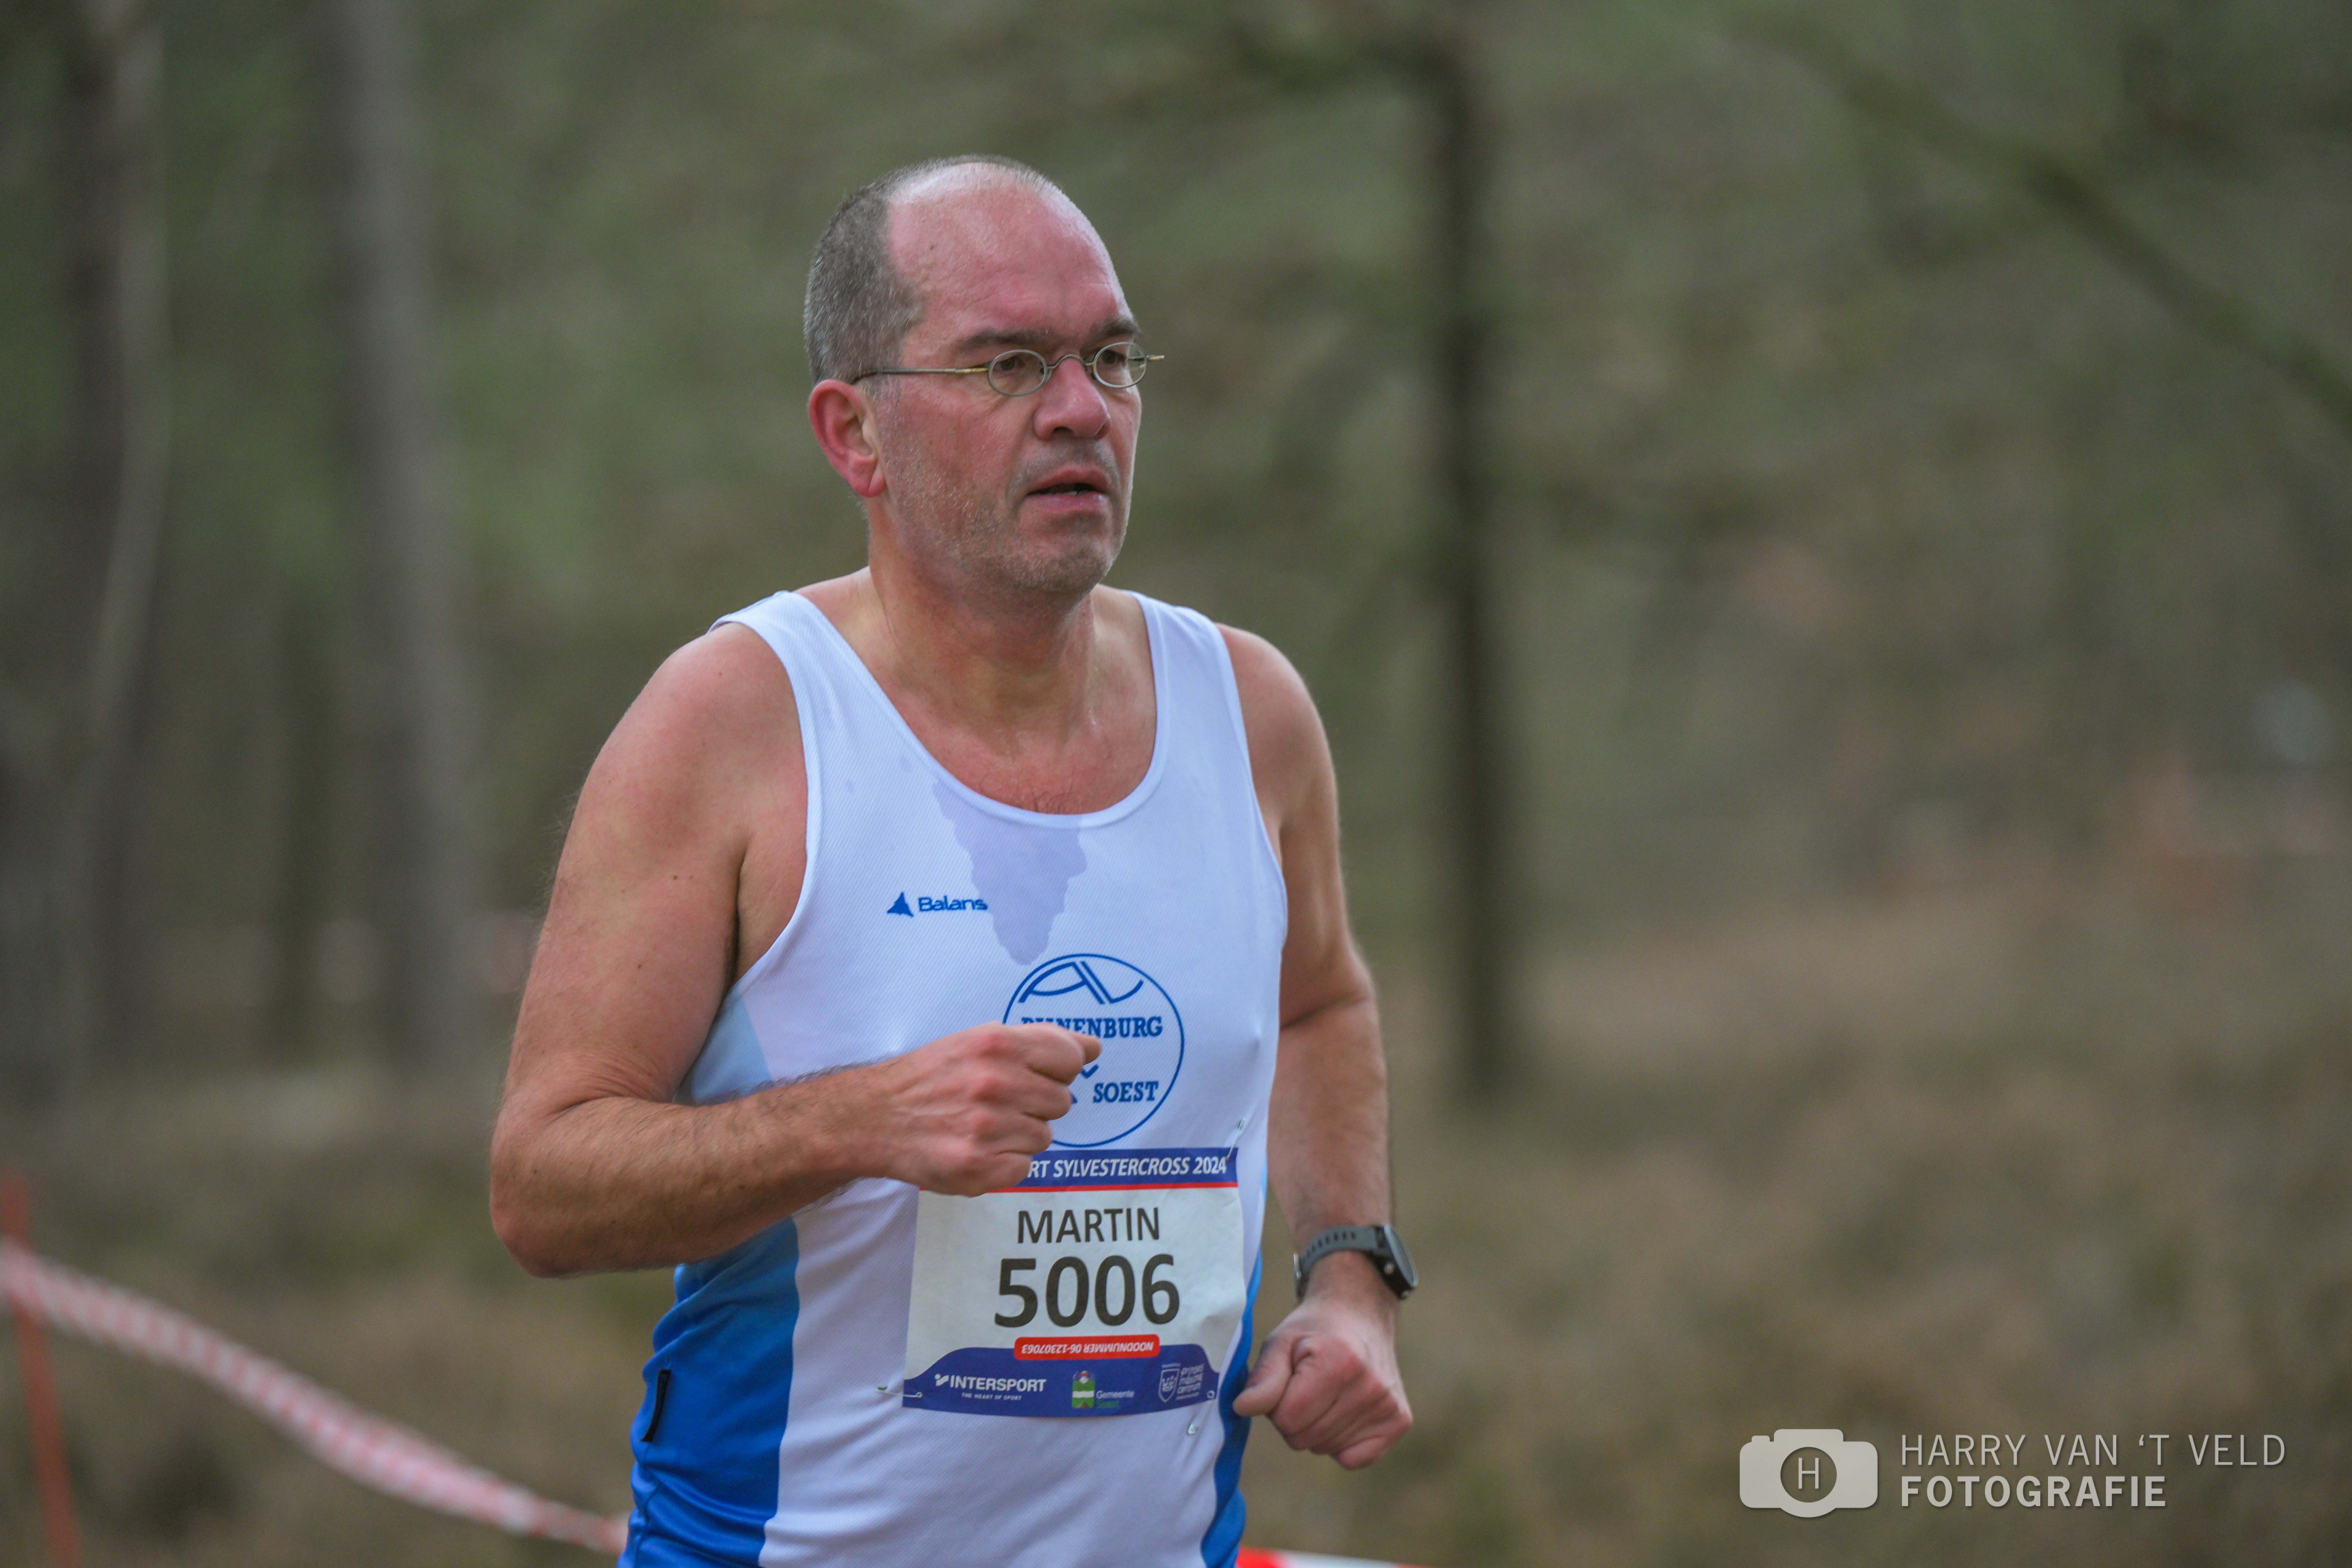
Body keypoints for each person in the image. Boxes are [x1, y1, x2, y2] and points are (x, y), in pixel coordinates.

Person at [489, 154, 1413, 1568]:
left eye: (1111, 358)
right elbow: (542, 1186)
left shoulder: (1251, 712)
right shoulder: (734, 722)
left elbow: (1319, 1004)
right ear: (853, 431)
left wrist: (1350, 1277)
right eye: (1008, 364)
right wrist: (857, 1122)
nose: (1081, 408)